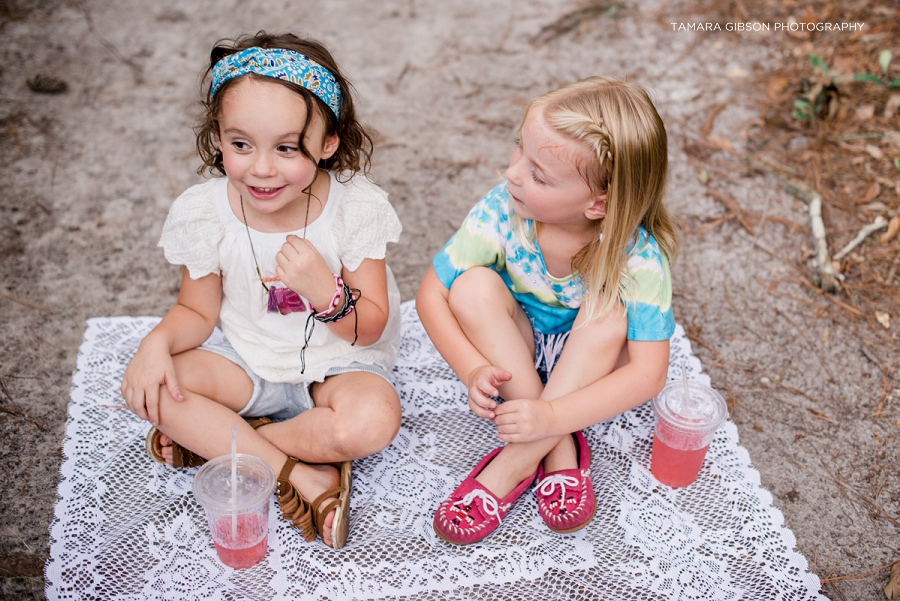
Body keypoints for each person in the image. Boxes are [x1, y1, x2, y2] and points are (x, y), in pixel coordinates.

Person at [121, 32, 403, 550]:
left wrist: (327, 292)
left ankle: (232, 442)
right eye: (241, 144)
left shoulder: (355, 208)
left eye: (287, 148)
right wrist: (154, 344)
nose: (262, 168)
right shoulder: (206, 212)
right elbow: (195, 310)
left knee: (373, 422)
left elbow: (372, 327)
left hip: (338, 365)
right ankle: (301, 473)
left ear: (329, 143)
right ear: (218, 136)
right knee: (154, 387)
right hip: (246, 361)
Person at [416, 76, 677, 545]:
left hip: (590, 367)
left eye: (539, 174)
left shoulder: (638, 258)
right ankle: (561, 452)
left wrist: (551, 417)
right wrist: (472, 366)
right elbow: (431, 295)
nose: (513, 173)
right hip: (517, 353)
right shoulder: (503, 210)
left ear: (598, 204)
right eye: (520, 150)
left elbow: (648, 375)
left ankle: (517, 460)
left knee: (608, 312)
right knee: (471, 285)